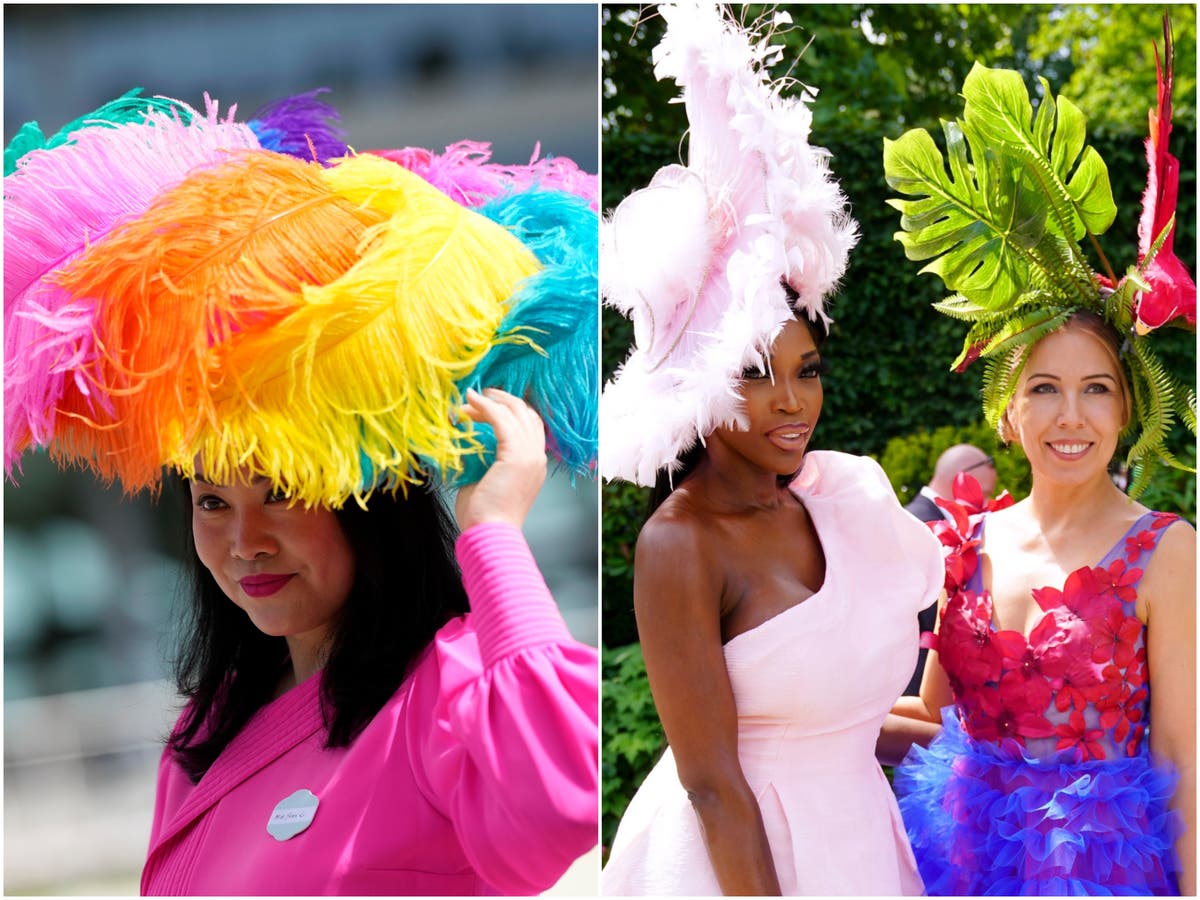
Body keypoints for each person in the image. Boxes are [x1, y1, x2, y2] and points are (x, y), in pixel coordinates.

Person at [5, 89, 600, 895]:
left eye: (279, 492)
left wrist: (492, 532)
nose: (243, 538)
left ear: (370, 502)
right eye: (211, 501)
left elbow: (567, 803)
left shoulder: (451, 684)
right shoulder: (208, 729)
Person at [599, 6, 944, 894]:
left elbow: (832, 712)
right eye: (755, 374)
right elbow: (714, 786)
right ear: (699, 382)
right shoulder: (679, 543)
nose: (792, 401)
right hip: (738, 866)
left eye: (809, 368)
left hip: (860, 845)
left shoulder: (834, 497)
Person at [879, 24, 1195, 894]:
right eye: (1044, 389)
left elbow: (1183, 759)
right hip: (961, 858)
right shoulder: (964, 546)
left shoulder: (1169, 551)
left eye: (1096, 389)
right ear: (1008, 415)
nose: (1071, 416)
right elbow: (933, 720)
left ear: (1127, 408)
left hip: (1106, 872)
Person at [902, 444, 997, 696]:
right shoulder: (917, 526)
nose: (986, 506)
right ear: (964, 475)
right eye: (986, 495)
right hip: (914, 689)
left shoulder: (919, 521)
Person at [903, 444, 996, 524]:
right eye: (983, 495)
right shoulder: (922, 525)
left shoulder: (920, 518)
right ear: (960, 480)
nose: (986, 505)